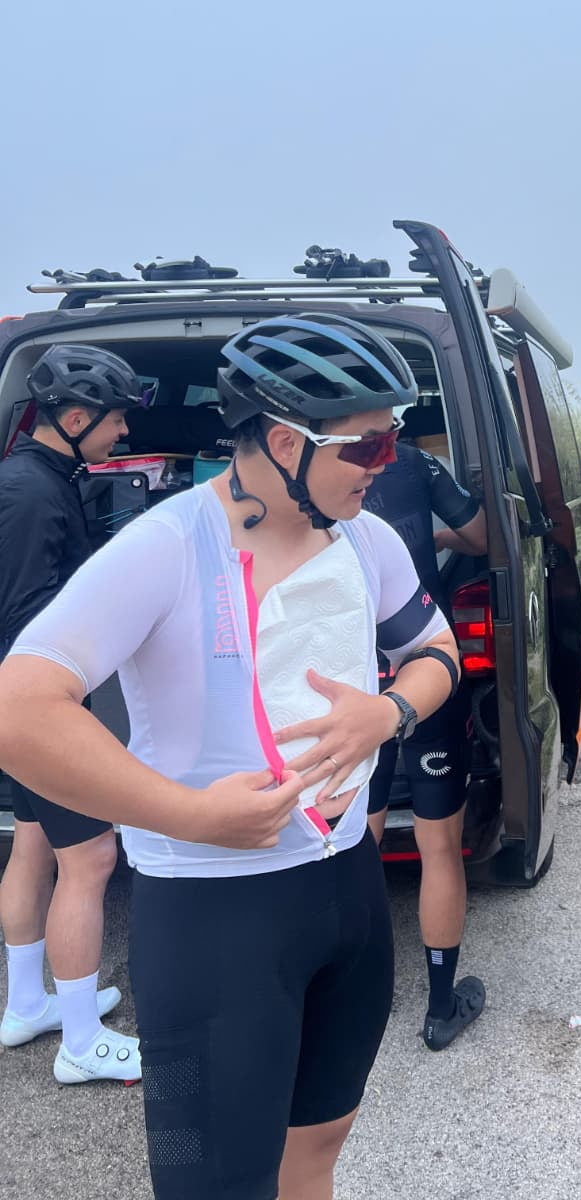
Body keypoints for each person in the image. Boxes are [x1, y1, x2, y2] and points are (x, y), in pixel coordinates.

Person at [0, 313, 458, 1200]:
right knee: (214, 1187)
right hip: (212, 921)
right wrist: (191, 814)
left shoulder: (367, 540)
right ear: (286, 442)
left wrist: (388, 712)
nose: (389, 464)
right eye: (368, 448)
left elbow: (434, 652)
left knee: (316, 1153)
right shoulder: (166, 546)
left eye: (393, 441)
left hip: (346, 891)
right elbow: (20, 708)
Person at [0, 344, 146, 1083]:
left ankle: (28, 1004)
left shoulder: (46, 480)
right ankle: (83, 1043)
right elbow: (26, 615)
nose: (122, 431)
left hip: (22, 709)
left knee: (32, 846)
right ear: (78, 415)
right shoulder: (30, 494)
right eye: (116, 417)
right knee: (90, 860)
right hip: (39, 707)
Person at [362, 433, 488, 1050]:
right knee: (439, 847)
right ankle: (441, 1009)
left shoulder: (295, 472)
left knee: (352, 848)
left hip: (349, 685)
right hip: (426, 671)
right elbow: (488, 536)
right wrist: (438, 538)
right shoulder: (415, 461)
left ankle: (347, 1007)